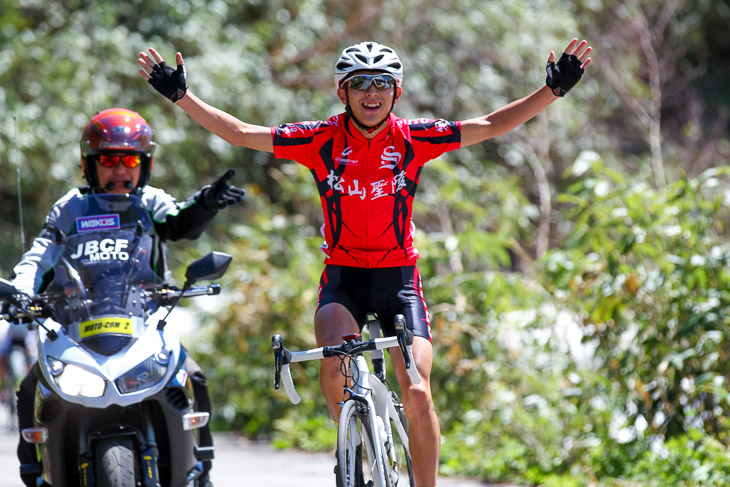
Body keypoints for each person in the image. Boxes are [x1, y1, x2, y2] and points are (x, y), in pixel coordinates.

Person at [138, 39, 592, 487]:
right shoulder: (318, 139)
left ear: (396, 91)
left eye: (381, 83)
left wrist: (552, 91)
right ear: (343, 92)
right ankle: (353, 445)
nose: (371, 93)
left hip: (399, 280)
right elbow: (240, 133)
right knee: (335, 366)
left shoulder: (413, 137)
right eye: (360, 84)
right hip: (343, 280)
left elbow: (490, 124)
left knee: (416, 392)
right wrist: (182, 96)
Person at [9, 107, 244, 487]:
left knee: (193, 375)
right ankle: (34, 475)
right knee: (29, 387)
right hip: (76, 330)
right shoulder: (69, 208)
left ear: (144, 165)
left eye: (129, 160)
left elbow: (180, 224)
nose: (121, 170)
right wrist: (19, 290)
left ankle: (201, 471)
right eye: (110, 160)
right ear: (90, 166)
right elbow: (39, 257)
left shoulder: (151, 203)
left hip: (145, 322)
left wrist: (205, 204)